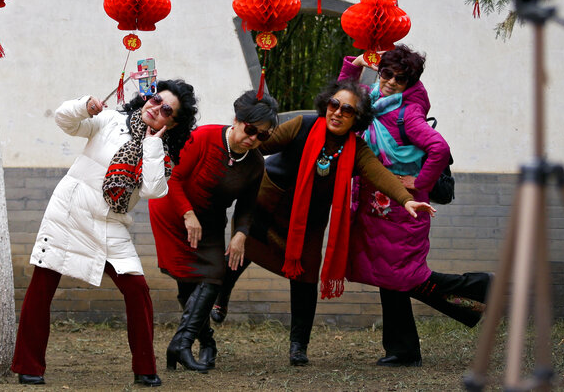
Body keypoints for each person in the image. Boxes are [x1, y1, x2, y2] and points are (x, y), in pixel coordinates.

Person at [209, 80, 435, 367]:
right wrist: (230, 144)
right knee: (241, 253)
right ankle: (222, 295)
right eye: (334, 105)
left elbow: (380, 174)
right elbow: (262, 141)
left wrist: (406, 200)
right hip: (269, 204)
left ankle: (298, 347)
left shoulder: (358, 150)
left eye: (347, 110)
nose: (338, 113)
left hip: (308, 222)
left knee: (304, 278)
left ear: (357, 118)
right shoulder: (301, 125)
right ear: (326, 105)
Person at [11, 80, 199, 387]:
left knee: (137, 289)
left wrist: (151, 143)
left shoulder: (161, 154)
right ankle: (28, 366)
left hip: (112, 225)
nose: (155, 108)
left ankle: (145, 368)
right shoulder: (111, 120)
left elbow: (153, 189)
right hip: (69, 213)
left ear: (173, 122)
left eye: (166, 110)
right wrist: (84, 106)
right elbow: (64, 120)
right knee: (42, 285)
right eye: (154, 100)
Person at [340, 46, 491, 368]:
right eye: (386, 74)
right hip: (378, 207)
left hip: (403, 210)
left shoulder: (407, 112)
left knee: (404, 277)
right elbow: (343, 98)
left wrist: (418, 184)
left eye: (401, 78)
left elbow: (438, 147)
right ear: (379, 72)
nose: (392, 82)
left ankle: (480, 286)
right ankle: (404, 350)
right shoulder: (371, 99)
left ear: (411, 82)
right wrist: (354, 65)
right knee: (390, 279)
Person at [148, 91, 280, 372]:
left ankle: (184, 344)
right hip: (173, 212)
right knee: (188, 282)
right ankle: (201, 342)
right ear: (238, 120)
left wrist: (241, 233)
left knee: (213, 276)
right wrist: (187, 214)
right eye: (251, 129)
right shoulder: (204, 137)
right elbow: (175, 177)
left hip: (208, 222)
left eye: (263, 136)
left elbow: (246, 205)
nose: (254, 138)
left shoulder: (256, 163)